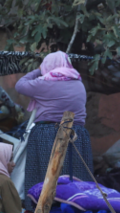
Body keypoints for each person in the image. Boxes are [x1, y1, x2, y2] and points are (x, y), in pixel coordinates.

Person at [14, 51, 94, 204]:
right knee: (75, 176)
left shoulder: (44, 83)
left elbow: (20, 85)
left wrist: (39, 70)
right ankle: (77, 207)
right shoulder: (78, 83)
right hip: (77, 135)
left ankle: (43, 209)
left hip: (48, 134)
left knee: (45, 177)